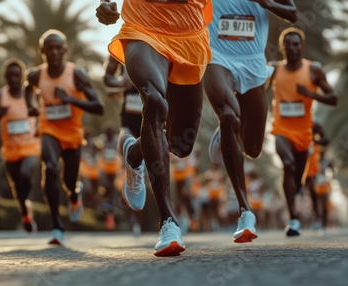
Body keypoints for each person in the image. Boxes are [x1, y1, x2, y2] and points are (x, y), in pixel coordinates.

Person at [96, 0, 213, 256]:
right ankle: (169, 222)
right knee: (155, 101)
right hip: (143, 26)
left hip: (189, 35)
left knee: (180, 145)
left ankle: (134, 154)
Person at [205, 0, 297, 243]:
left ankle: (226, 131)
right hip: (217, 56)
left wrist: (267, 3)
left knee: (253, 149)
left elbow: (293, 14)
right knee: (228, 114)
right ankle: (245, 211)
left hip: (253, 62)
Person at [25, 29, 104, 245]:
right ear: (42, 50)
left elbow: (99, 106)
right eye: (49, 48)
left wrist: (70, 99)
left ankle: (74, 195)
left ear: (65, 50)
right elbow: (27, 86)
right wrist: (31, 106)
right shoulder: (36, 75)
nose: (54, 52)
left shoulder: (76, 74)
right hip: (49, 129)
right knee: (50, 167)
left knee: (69, 181)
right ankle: (56, 226)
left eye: (58, 48)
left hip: (72, 135)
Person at [269, 27, 337, 237]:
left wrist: (309, 93)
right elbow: (256, 92)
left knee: (298, 177)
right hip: (281, 129)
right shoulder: (273, 69)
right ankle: (294, 219)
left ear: (303, 47)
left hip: (304, 134)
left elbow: (333, 98)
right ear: (282, 47)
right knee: (287, 165)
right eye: (287, 44)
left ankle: (296, 193)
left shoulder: (313, 71)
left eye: (295, 44)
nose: (291, 48)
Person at [0, 59, 40, 232]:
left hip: (31, 145)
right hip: (11, 150)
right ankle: (24, 210)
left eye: (17, 75)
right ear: (5, 77)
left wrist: (39, 127)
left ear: (23, 76)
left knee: (25, 172)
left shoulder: (32, 94)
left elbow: (42, 113)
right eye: (10, 75)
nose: (14, 78)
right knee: (17, 186)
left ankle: (25, 206)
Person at [103, 55, 143, 234]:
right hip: (128, 118)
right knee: (125, 146)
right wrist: (121, 82)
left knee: (148, 175)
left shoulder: (158, 40)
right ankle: (133, 220)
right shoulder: (120, 48)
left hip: (149, 118)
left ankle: (153, 220)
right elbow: (107, 78)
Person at [304, 122, 330, 231]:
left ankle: (324, 222)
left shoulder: (318, 146)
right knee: (313, 196)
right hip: (309, 175)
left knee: (324, 201)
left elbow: (327, 141)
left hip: (321, 177)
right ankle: (317, 218)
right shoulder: (303, 144)